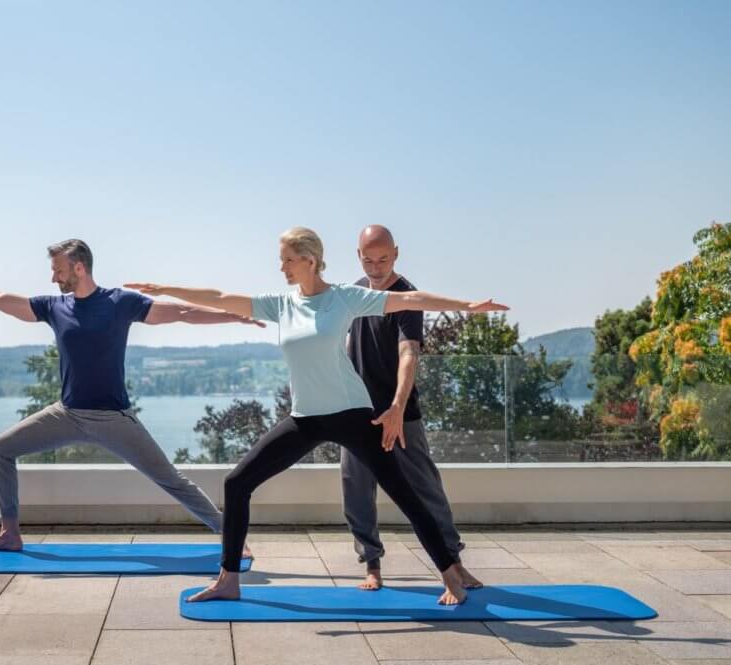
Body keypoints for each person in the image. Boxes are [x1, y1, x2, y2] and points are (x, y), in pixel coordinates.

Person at [126, 227, 508, 605]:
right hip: (305, 417)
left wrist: (468, 306)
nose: (283, 268)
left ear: (310, 260)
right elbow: (221, 297)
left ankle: (450, 576)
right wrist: (163, 288)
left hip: (352, 415)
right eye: (282, 261)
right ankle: (229, 579)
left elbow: (409, 298)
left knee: (405, 495)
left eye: (288, 261)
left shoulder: (344, 298)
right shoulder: (282, 303)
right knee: (237, 482)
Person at [0, 238, 263, 554]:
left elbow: (182, 312)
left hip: (113, 419)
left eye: (57, 270)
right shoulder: (54, 307)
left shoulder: (120, 303)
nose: (53, 277)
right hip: (67, 413)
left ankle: (231, 536)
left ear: (79, 267)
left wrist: (234, 316)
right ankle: (9, 533)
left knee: (171, 480)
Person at [343, 225, 481, 591]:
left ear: (397, 254)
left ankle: (452, 562)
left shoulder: (406, 295)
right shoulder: (354, 292)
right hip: (356, 412)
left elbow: (409, 353)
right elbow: (345, 345)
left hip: (400, 413)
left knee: (425, 488)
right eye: (369, 259)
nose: (376, 266)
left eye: (383, 259)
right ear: (358, 255)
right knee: (356, 490)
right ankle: (371, 564)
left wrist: (397, 407)